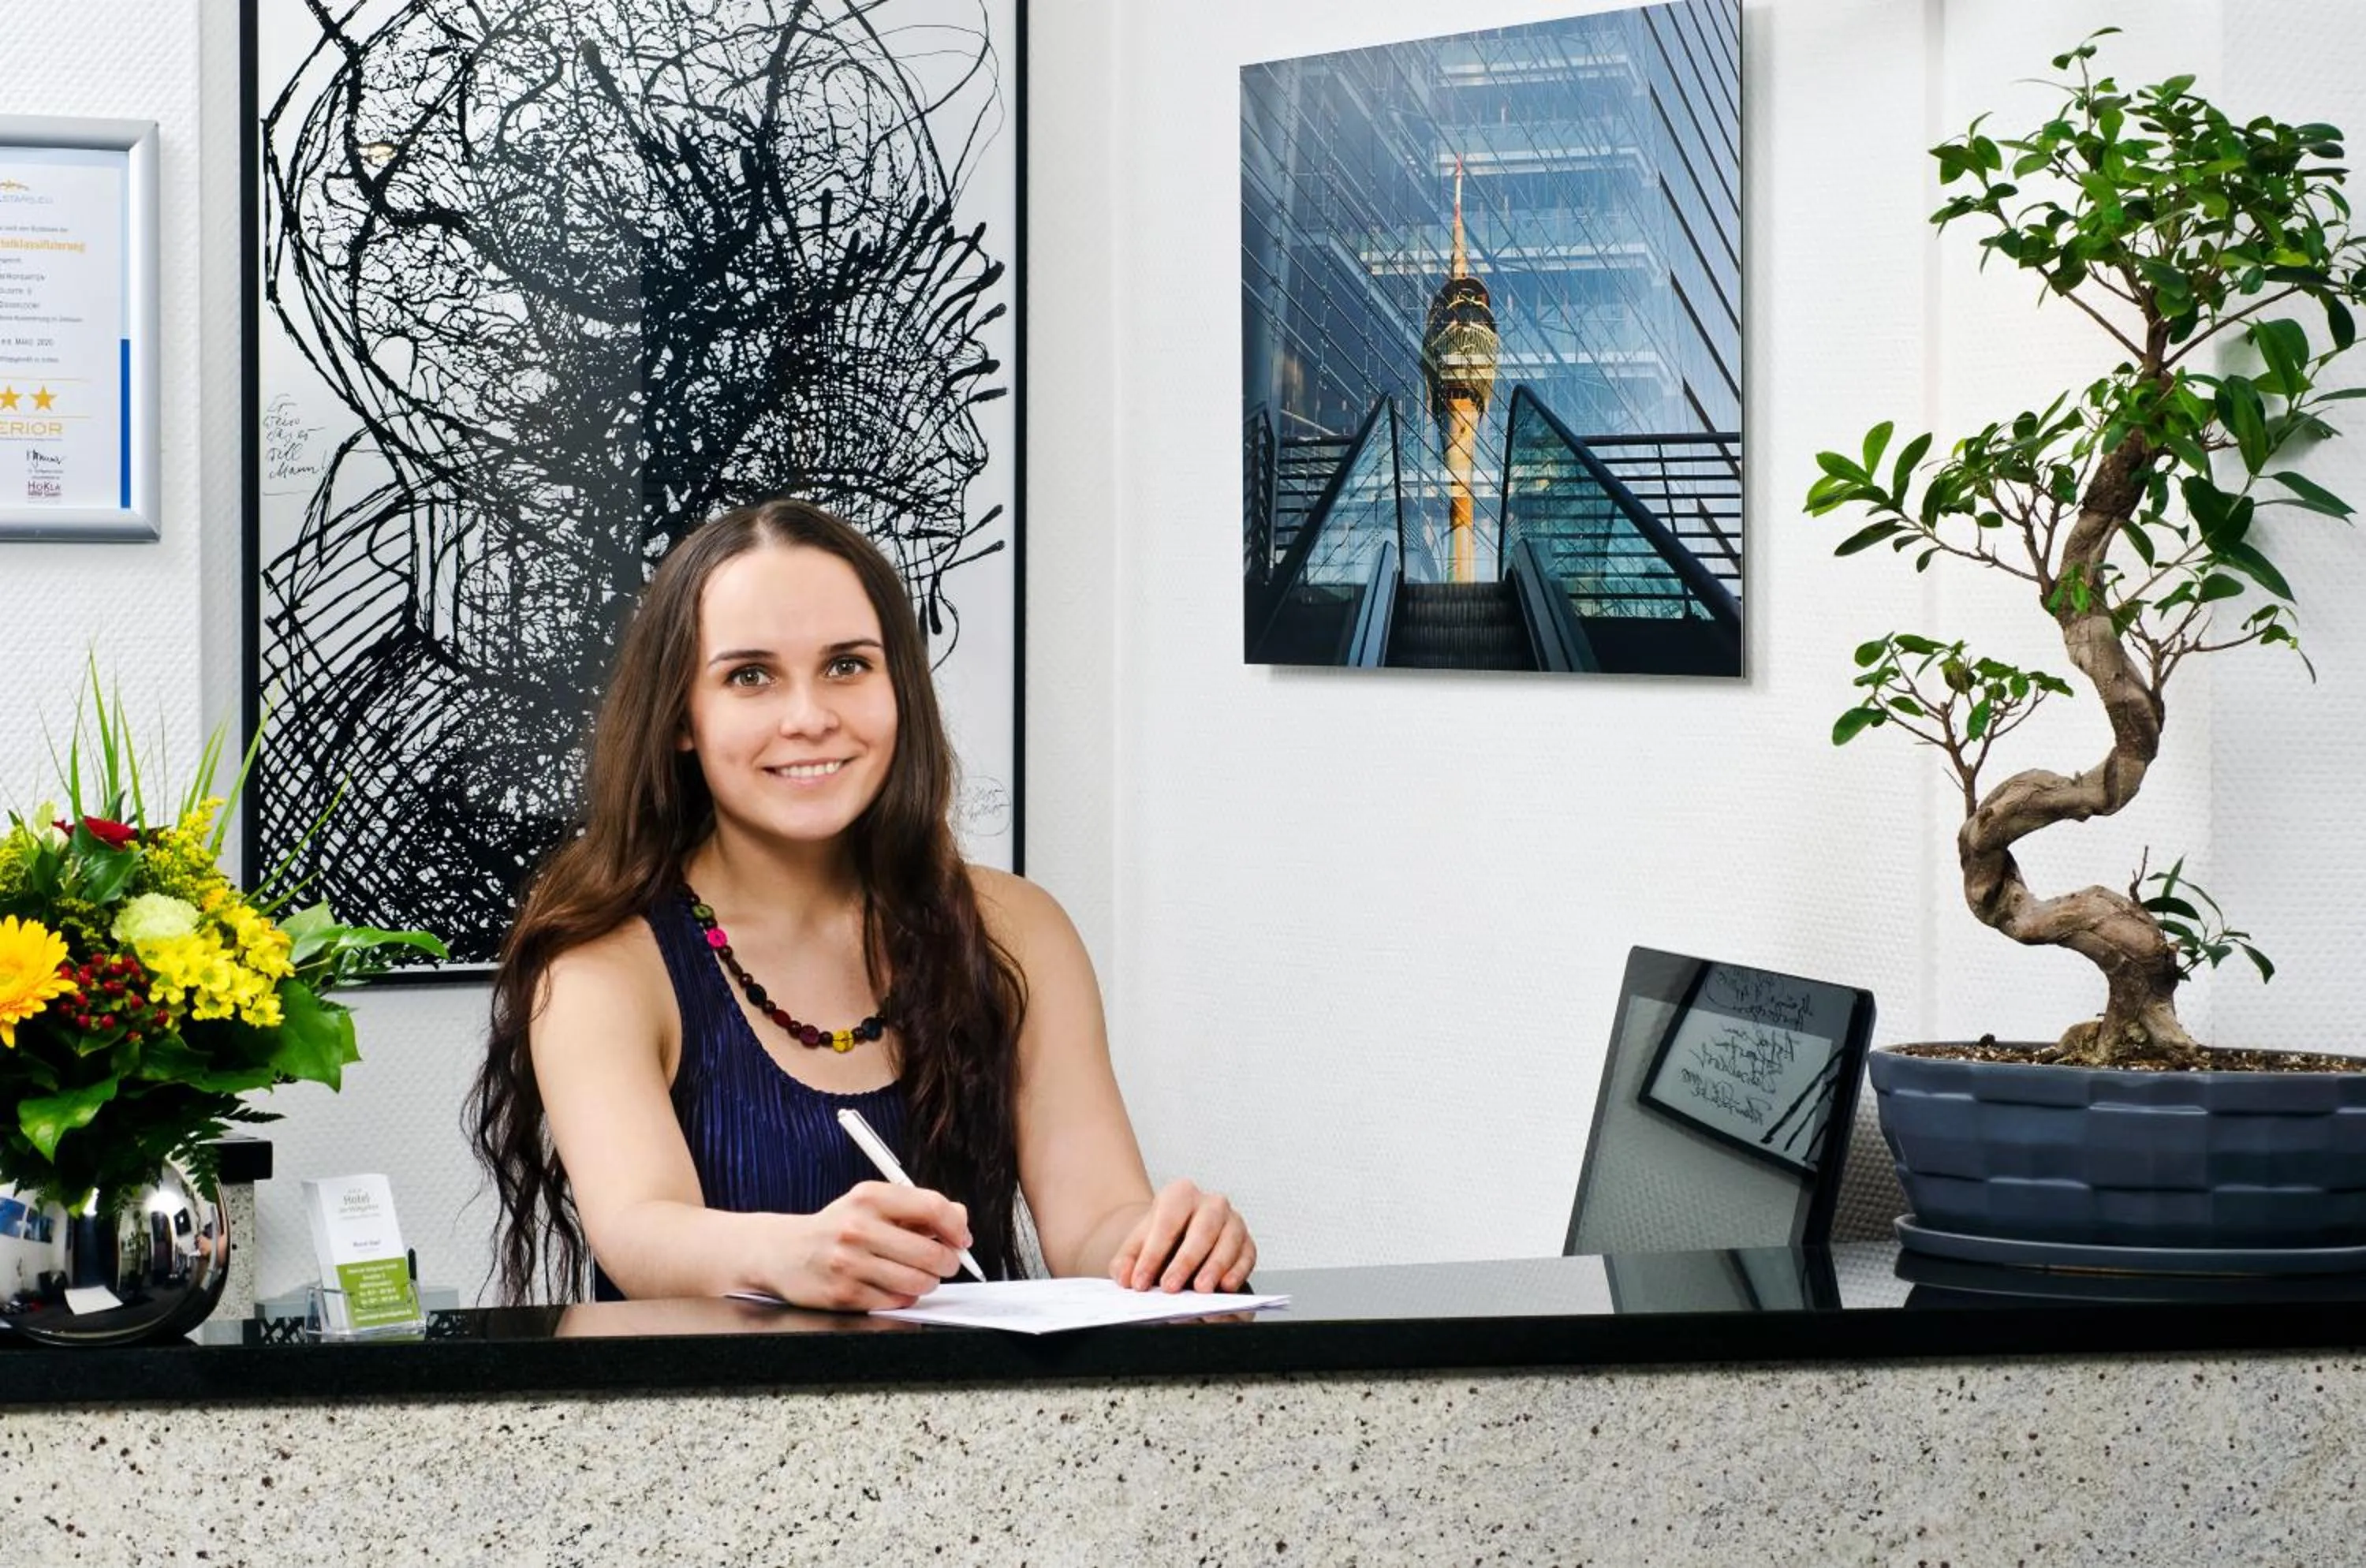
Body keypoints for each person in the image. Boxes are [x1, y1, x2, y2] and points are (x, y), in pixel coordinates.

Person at [468, 498, 1254, 1308]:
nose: (810, 717)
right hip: (710, 1431)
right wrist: (794, 1251)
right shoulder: (605, 962)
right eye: (750, 676)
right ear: (680, 718)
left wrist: (1165, 1243)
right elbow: (640, 1229)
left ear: (899, 686)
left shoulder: (1021, 931)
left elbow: (1094, 1220)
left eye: (847, 664)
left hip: (986, 1426)